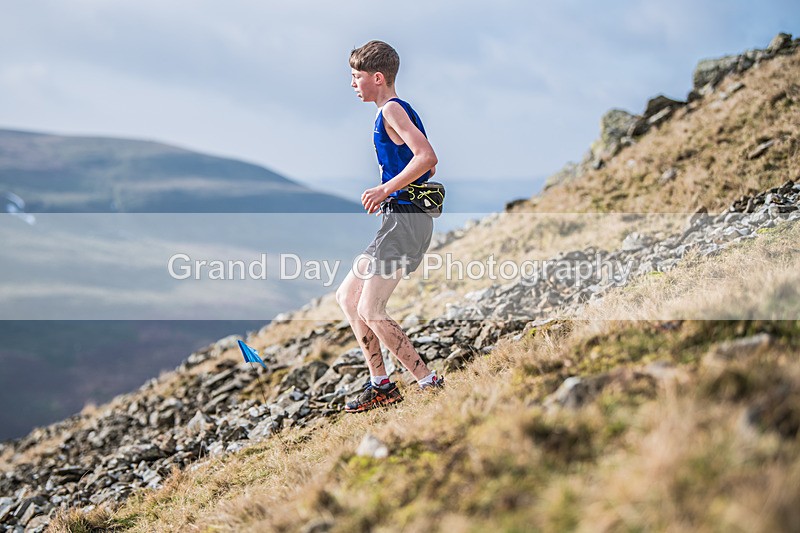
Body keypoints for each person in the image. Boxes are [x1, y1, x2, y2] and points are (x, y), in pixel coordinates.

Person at [336, 40, 444, 413]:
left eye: (356, 76)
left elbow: (428, 157)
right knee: (348, 298)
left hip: (405, 221)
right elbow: (426, 169)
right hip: (398, 219)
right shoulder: (395, 110)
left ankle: (428, 382)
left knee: (372, 308)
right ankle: (381, 384)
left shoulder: (392, 110)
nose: (352, 83)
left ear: (377, 77)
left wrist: (385, 188)